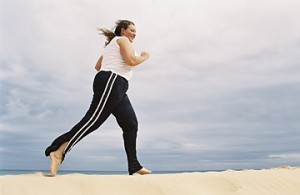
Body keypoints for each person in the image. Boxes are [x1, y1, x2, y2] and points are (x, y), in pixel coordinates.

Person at [45, 20, 151, 176]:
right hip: (113, 81)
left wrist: (111, 69)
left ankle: (134, 165)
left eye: (136, 31)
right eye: (132, 30)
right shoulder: (122, 40)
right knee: (93, 120)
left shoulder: (113, 45)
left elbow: (97, 66)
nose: (134, 33)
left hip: (118, 84)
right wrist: (144, 56)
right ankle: (59, 151)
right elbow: (132, 61)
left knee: (130, 123)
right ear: (123, 30)